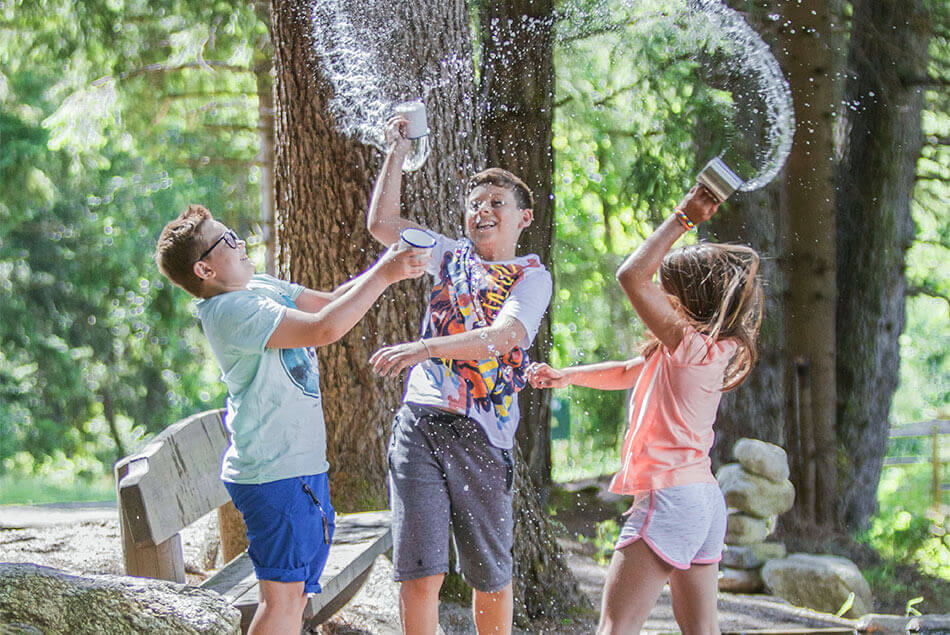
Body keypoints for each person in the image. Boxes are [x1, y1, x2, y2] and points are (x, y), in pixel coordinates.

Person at [154, 204, 427, 634]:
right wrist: (386, 274)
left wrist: (389, 265)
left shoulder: (255, 286)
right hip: (273, 473)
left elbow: (331, 303)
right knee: (281, 600)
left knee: (293, 596)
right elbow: (323, 329)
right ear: (204, 268)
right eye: (227, 240)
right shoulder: (229, 311)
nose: (240, 243)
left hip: (294, 468)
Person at [527, 185, 764, 635]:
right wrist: (568, 376)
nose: (656, 295)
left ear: (685, 301)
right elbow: (628, 371)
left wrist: (684, 217)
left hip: (670, 498)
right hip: (703, 501)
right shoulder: (705, 350)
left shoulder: (691, 347)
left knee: (615, 629)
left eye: (667, 290)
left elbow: (631, 275)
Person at [365, 116, 553, 634]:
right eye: (475, 203)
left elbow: (505, 336)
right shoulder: (448, 255)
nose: (483, 210)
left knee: (488, 574)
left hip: (481, 435)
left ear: (523, 217)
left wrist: (423, 347)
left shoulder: (532, 277)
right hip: (419, 423)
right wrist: (397, 152)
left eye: (497, 203)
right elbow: (382, 227)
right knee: (418, 572)